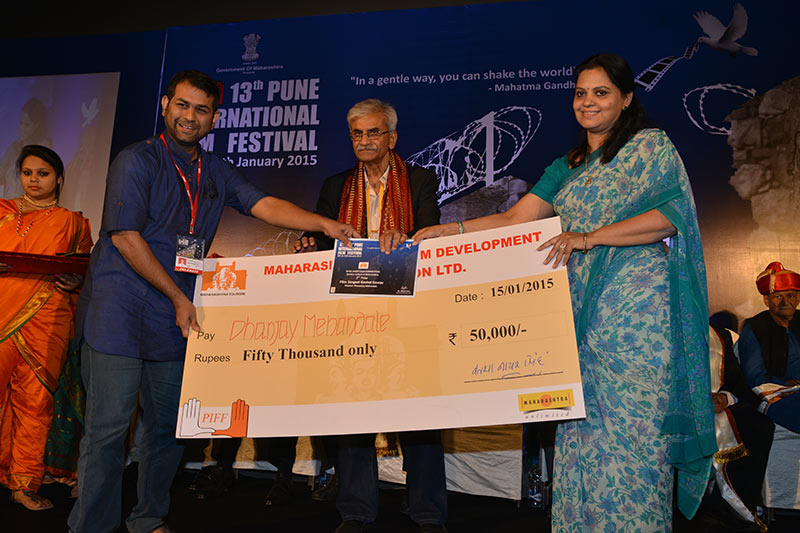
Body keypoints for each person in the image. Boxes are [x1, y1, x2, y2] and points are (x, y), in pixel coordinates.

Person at [414, 53, 715, 530]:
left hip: (637, 316)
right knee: (581, 435)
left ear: (626, 99)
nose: (588, 102)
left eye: (601, 93)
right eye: (580, 93)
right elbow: (515, 219)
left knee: (636, 436)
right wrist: (450, 230)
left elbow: (668, 217)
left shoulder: (649, 147)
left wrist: (589, 237)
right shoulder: (568, 165)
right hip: (578, 318)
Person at [67, 70, 357, 533]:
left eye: (201, 109)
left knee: (167, 430)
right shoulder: (136, 160)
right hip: (119, 313)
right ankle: (90, 527)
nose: (190, 116)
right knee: (107, 432)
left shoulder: (214, 169)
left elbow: (264, 204)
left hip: (175, 320)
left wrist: (325, 224)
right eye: (182, 105)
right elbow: (124, 237)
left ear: (214, 118)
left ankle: (147, 518)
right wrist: (176, 296)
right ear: (166, 105)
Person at [295, 99, 446, 532]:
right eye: (357, 134)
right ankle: (357, 510)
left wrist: (407, 237)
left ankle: (428, 512)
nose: (364, 141)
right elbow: (321, 239)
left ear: (391, 138)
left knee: (420, 409)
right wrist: (309, 243)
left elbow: (431, 234)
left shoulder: (420, 179)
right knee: (352, 407)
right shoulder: (335, 186)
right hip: (352, 312)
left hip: (408, 308)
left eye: (373, 132)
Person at [0, 145, 92, 510]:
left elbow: (83, 272)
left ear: (59, 178)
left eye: (43, 173)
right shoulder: (2, 212)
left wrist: (76, 282)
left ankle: (23, 483)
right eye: (27, 173)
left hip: (48, 317)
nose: (34, 180)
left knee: (35, 403)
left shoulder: (74, 223)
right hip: (2, 313)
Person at [707, 323, 773, 529]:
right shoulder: (661, 333)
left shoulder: (719, 336)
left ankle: (740, 507)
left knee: (760, 426)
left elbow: (737, 383)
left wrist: (725, 397)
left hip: (715, 408)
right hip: (678, 410)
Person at [736, 262, 800, 433]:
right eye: (778, 297)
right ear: (767, 301)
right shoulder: (755, 327)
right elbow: (754, 377)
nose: (786, 302)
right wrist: (786, 383)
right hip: (778, 394)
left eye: (790, 296)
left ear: (798, 298)